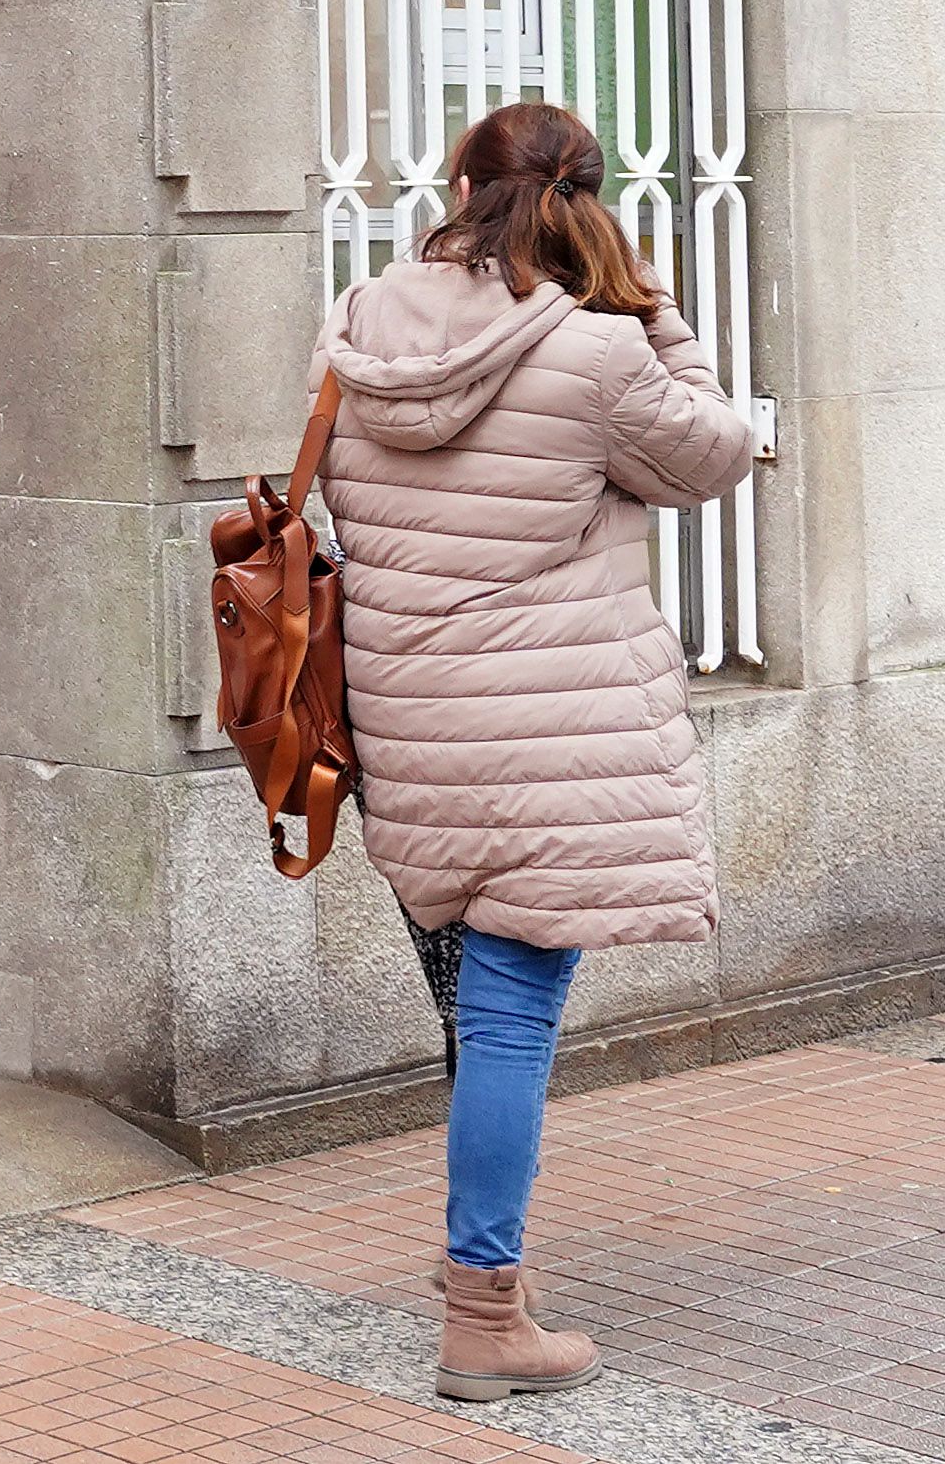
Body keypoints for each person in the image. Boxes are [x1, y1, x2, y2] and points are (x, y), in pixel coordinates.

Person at [311, 100, 758, 1404]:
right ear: (588, 202)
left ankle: (487, 1277)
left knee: (470, 1011)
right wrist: (647, 306)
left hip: (410, 735)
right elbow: (714, 450)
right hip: (545, 745)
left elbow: (345, 500)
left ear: (459, 184)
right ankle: (483, 1314)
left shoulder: (357, 325)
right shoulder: (597, 354)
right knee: (508, 1023)